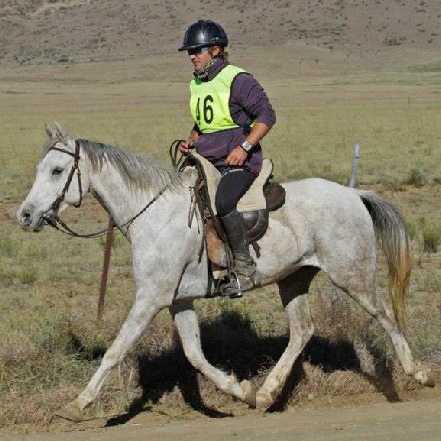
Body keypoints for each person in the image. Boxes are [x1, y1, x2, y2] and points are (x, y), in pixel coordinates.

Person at [178, 19, 276, 297]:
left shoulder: (238, 78)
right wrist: (191, 140)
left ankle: (245, 268)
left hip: (239, 161)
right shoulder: (197, 83)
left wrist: (244, 147)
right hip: (207, 158)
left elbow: (267, 117)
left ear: (216, 50)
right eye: (190, 51)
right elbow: (203, 124)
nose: (192, 56)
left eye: (197, 50)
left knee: (223, 201)